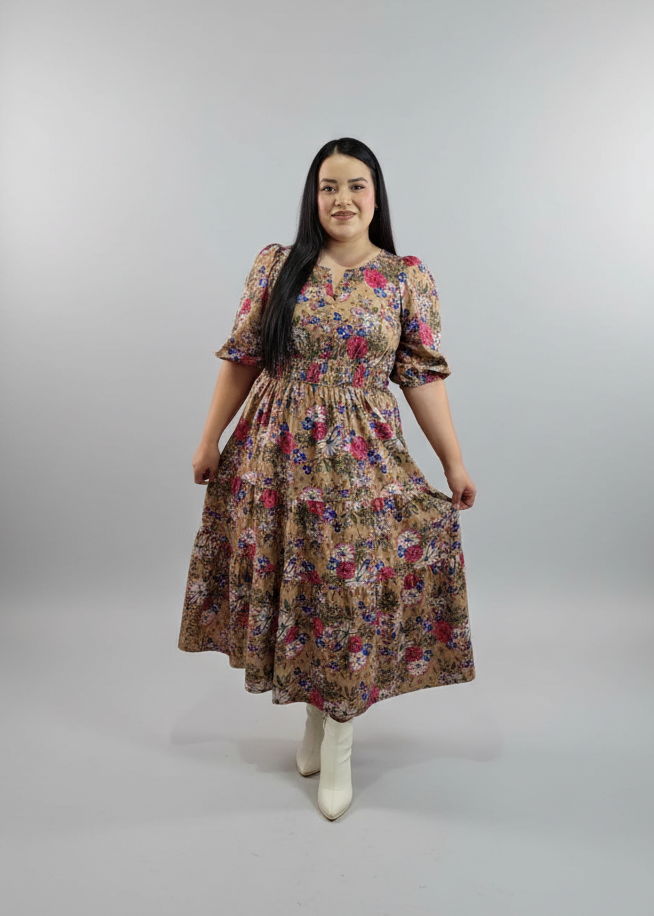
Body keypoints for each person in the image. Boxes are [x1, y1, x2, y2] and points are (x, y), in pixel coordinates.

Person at [178, 137, 477, 821]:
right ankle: (316, 721)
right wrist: (209, 439)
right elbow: (243, 359)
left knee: (346, 592)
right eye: (328, 187)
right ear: (313, 198)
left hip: (362, 460)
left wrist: (453, 463)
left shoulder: (405, 278)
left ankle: (337, 739)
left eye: (356, 186)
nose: (342, 200)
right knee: (301, 584)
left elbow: (421, 378)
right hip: (275, 454)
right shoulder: (278, 267)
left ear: (377, 196)